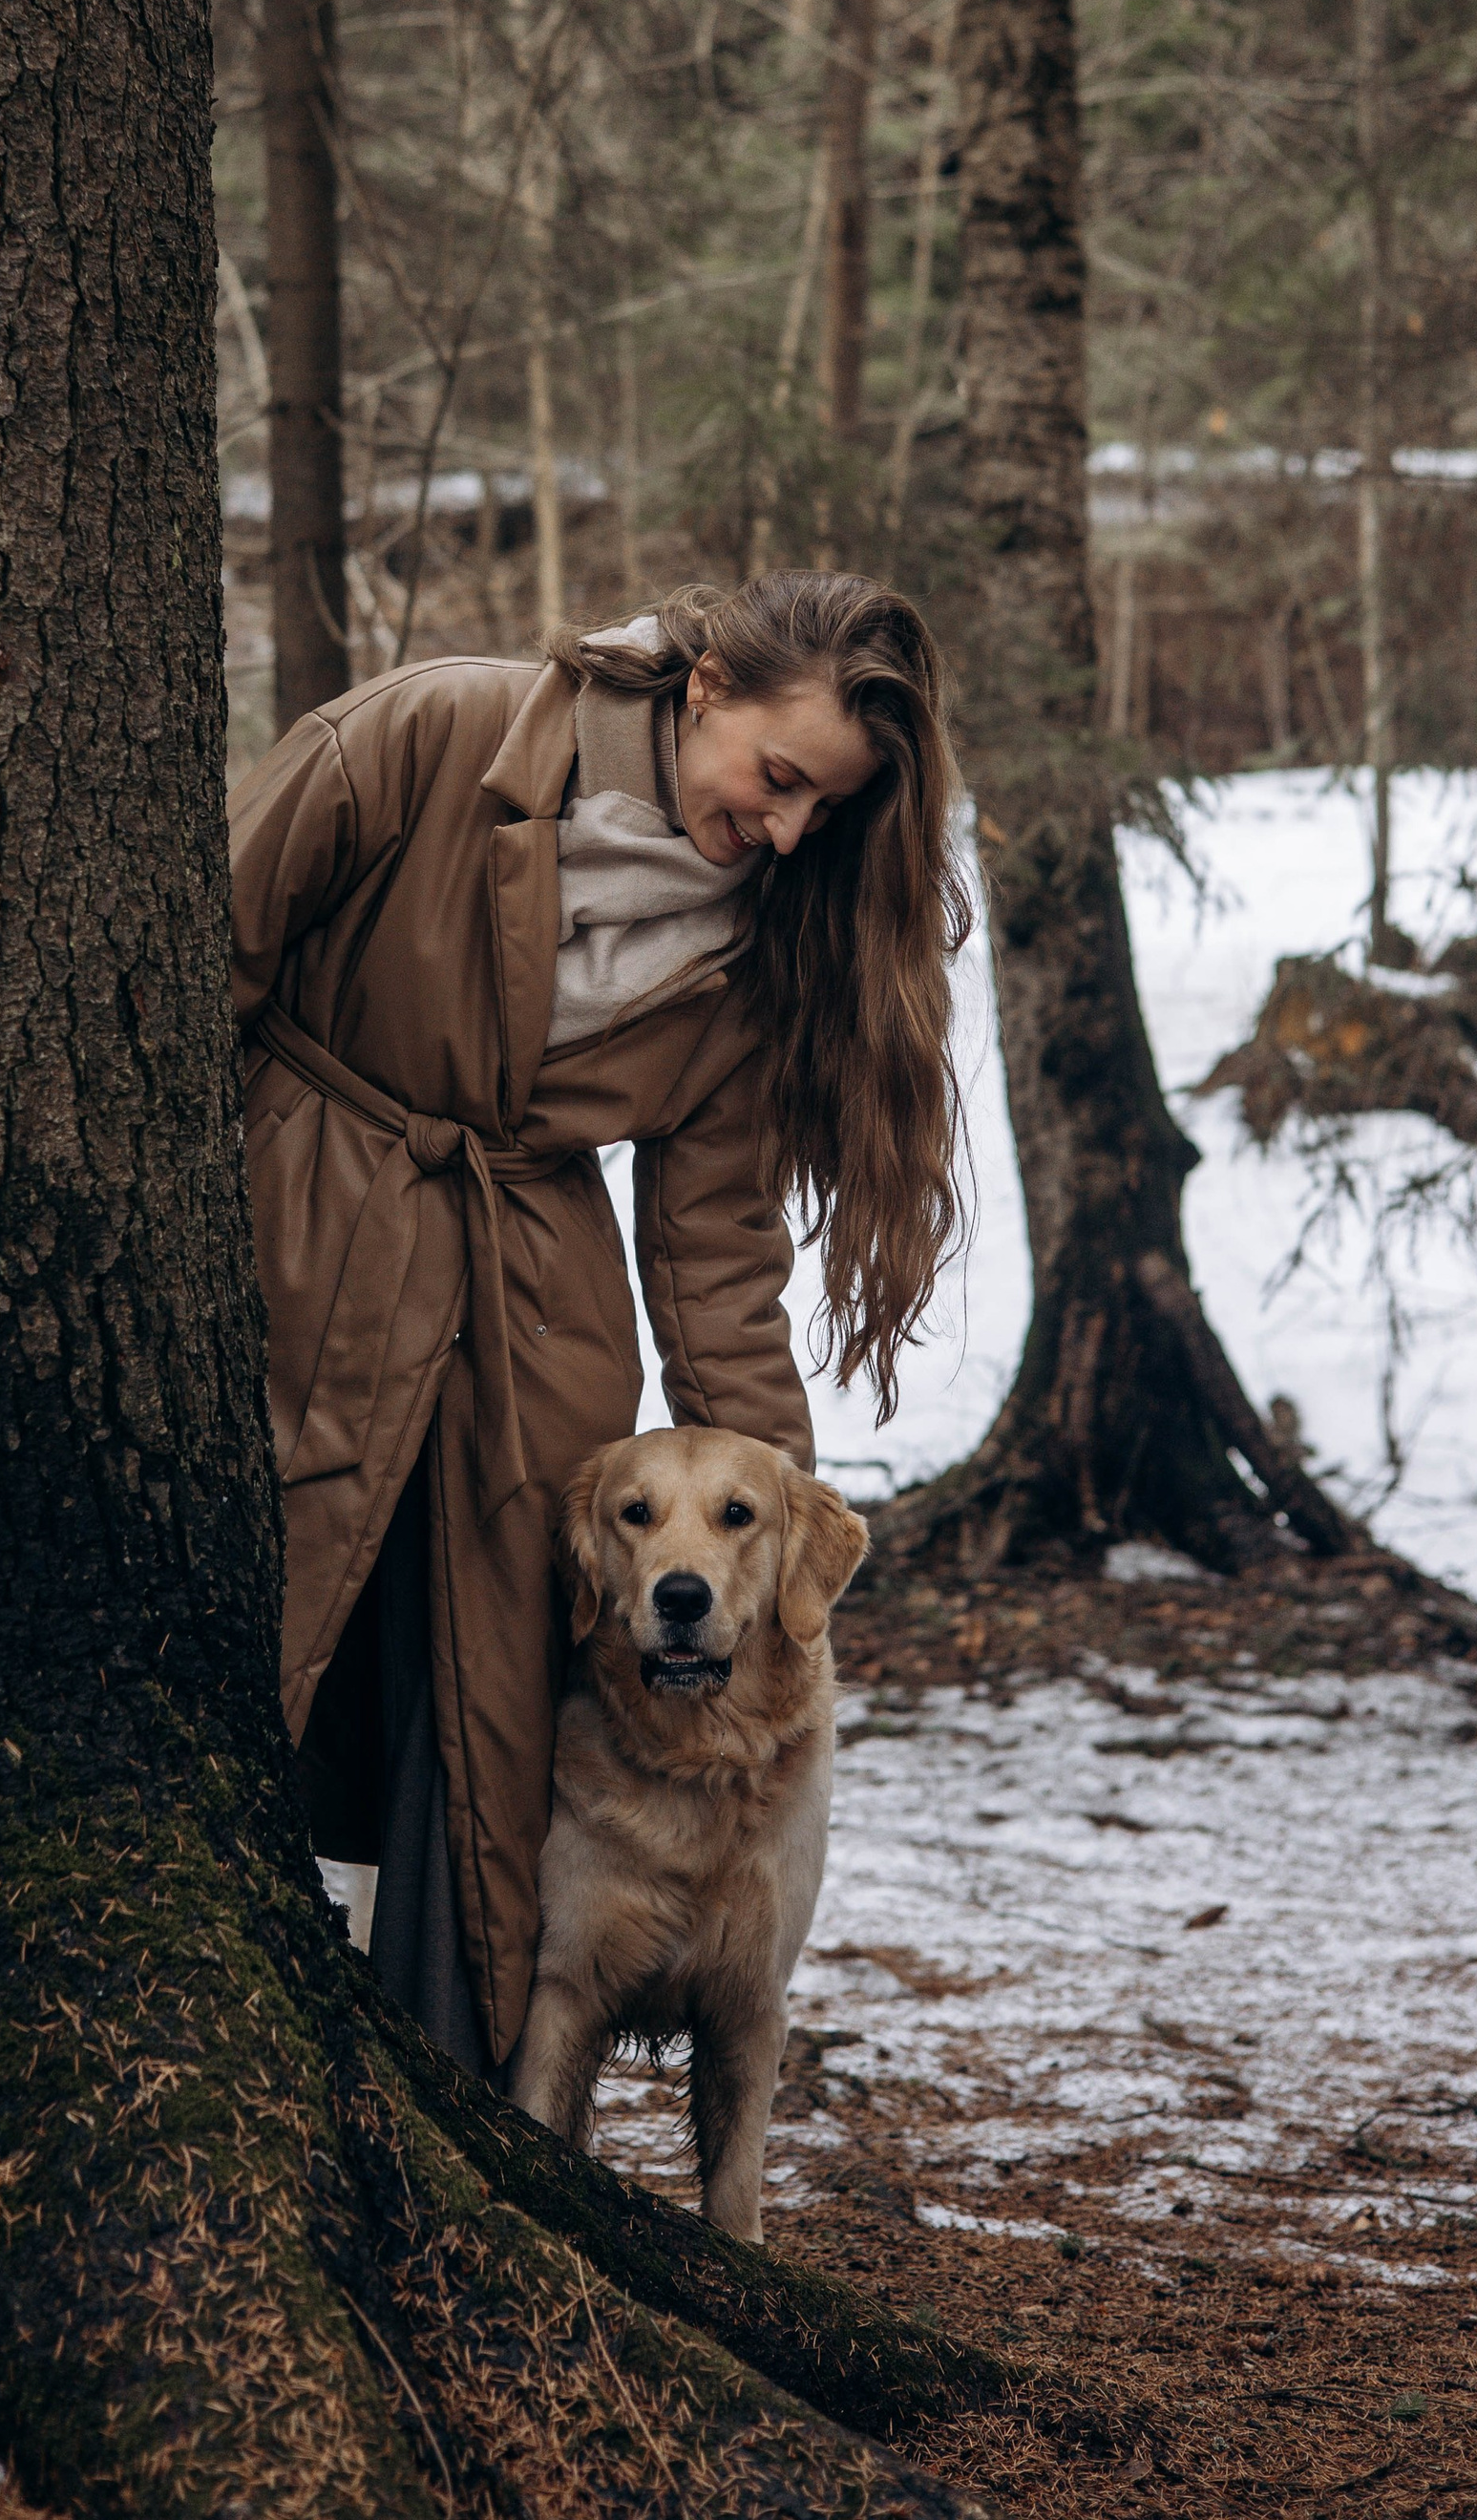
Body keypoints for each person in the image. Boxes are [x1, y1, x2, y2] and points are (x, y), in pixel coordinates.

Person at [227, 570, 969, 2070]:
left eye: (819, 813)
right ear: (702, 689)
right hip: (306, 1219)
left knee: (500, 1698)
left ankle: (450, 2088)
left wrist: (782, 1534)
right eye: (777, 778)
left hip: (532, 1308)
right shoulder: (431, 732)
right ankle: (211, 2018)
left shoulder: (756, 953)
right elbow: (203, 953)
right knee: (264, 1616)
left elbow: (715, 1249)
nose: (784, 832)